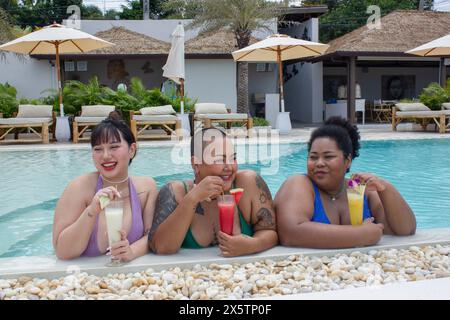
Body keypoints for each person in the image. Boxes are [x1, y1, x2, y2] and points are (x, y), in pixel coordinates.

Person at [275, 117, 416, 249]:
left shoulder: (359, 188)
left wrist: (385, 188)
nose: (319, 163)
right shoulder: (300, 184)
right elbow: (290, 233)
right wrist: (362, 235)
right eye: (313, 157)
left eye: (328, 157)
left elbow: (405, 230)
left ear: (347, 161)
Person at [148, 128, 278, 257]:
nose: (229, 167)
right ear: (196, 164)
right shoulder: (175, 192)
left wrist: (251, 246)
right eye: (219, 159)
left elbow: (270, 231)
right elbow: (161, 247)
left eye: (233, 158)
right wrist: (192, 199)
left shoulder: (248, 183)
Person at [53, 111, 157, 261]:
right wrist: (91, 211)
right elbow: (62, 251)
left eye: (114, 147)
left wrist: (131, 251)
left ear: (132, 150)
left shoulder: (146, 188)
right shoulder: (79, 188)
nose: (106, 156)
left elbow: (152, 236)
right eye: (98, 149)